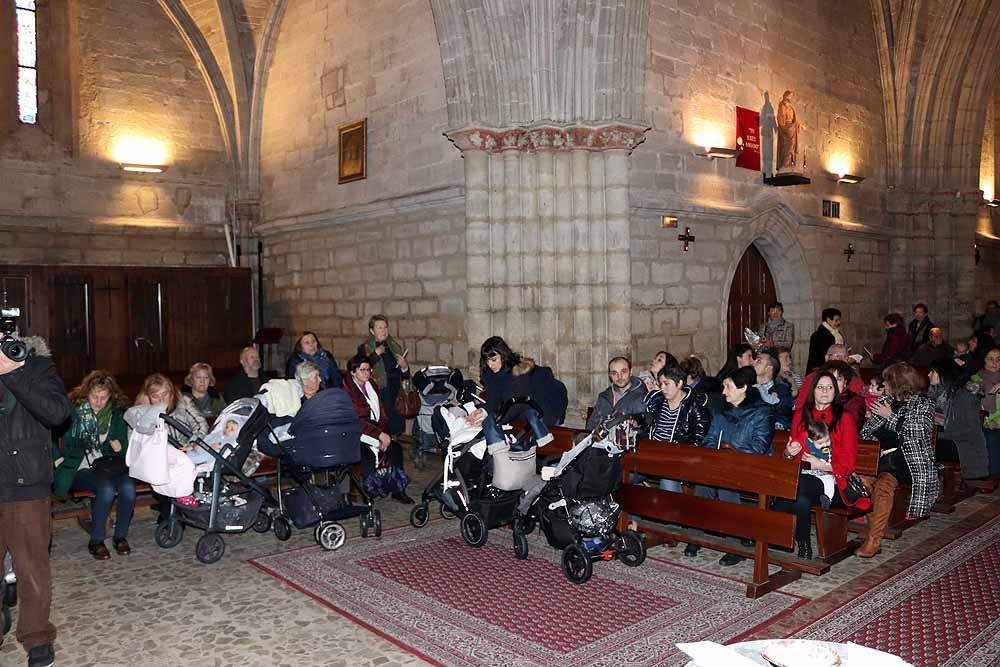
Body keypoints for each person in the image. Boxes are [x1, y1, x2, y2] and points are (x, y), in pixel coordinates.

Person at [0, 327, 70, 667]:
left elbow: (57, 413)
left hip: (25, 484)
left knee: (32, 569)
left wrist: (13, 374)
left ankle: (36, 635)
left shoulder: (37, 366)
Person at [776, 371, 865, 559]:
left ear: (836, 392)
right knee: (800, 497)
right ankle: (804, 545)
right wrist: (789, 452)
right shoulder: (801, 414)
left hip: (835, 481)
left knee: (795, 487)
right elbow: (790, 454)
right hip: (804, 477)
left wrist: (821, 465)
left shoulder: (845, 418)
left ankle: (768, 530)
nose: (825, 391)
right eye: (820, 387)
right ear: (813, 390)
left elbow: (849, 465)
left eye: (830, 387)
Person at [857, 363, 937, 557]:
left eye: (886, 381)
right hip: (880, 457)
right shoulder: (886, 400)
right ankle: (874, 526)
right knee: (861, 480)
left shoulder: (923, 404)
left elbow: (917, 434)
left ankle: (874, 540)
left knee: (883, 485)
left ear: (898, 383)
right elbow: (867, 432)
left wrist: (890, 416)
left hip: (908, 460)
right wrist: (872, 446)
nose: (883, 384)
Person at [54, 371, 136, 560]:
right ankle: (96, 541)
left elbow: (126, 449)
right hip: (79, 466)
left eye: (103, 397)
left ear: (111, 396)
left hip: (109, 465)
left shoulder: (117, 414)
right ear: (86, 394)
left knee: (129, 488)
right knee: (106, 489)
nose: (98, 402)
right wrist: (57, 457)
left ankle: (120, 536)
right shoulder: (72, 411)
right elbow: (48, 432)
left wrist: (120, 447)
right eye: (94, 397)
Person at [698, 366, 775, 565]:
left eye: (728, 387)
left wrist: (730, 450)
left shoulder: (763, 412)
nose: (724, 392)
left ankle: (735, 545)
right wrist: (715, 451)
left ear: (743, 388)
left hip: (754, 469)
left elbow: (759, 448)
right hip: (725, 466)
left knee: (726, 485)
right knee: (702, 482)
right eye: (723, 387)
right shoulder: (722, 413)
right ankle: (696, 534)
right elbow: (709, 440)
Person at [342, 354, 412, 504]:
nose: (366, 373)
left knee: (395, 449)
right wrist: (379, 435)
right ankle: (368, 492)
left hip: (375, 432)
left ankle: (398, 490)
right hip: (356, 434)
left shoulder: (371, 385)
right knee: (366, 456)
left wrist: (385, 435)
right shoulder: (346, 390)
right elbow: (356, 421)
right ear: (353, 372)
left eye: (368, 370)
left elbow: (382, 414)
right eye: (362, 370)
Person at [479, 336, 567, 428]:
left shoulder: (519, 372)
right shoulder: (493, 373)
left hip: (545, 410)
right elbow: (493, 397)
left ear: (503, 356)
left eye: (494, 360)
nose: (490, 365)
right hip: (525, 412)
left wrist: (491, 421)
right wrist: (483, 412)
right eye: (487, 360)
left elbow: (516, 405)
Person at [927, 359, 989, 480]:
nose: (928, 375)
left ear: (944, 375)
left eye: (933, 372)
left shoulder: (963, 396)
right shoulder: (935, 394)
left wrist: (935, 435)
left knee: (921, 444)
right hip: (945, 440)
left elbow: (969, 431)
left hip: (962, 446)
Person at [357, 314, 410, 436]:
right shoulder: (365, 348)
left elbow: (405, 374)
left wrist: (404, 366)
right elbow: (361, 368)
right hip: (378, 391)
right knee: (382, 425)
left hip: (395, 390)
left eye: (385, 327)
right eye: (379, 327)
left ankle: (394, 441)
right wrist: (375, 354)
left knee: (395, 424)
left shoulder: (394, 346)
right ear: (372, 331)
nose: (384, 330)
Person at [587, 356, 648, 430]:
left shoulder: (641, 397)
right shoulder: (604, 397)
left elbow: (644, 430)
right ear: (610, 375)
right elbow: (591, 426)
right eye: (614, 373)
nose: (619, 376)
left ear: (631, 372)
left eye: (623, 371)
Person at [796, 344, 863, 410]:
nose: (841, 360)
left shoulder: (854, 376)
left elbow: (857, 400)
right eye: (837, 356)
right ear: (827, 357)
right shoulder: (814, 376)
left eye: (845, 358)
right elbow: (801, 404)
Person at [752, 351, 794, 429]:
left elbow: (785, 419)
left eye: (759, 361)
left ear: (769, 368)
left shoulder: (782, 391)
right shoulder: (749, 388)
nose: (753, 362)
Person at [824, 361, 866, 429]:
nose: (833, 382)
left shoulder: (855, 401)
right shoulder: (819, 395)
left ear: (845, 382)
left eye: (838, 379)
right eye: (830, 378)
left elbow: (850, 427)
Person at [806, 308, 843, 373]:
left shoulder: (836, 334)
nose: (839, 322)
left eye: (839, 320)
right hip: (821, 371)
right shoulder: (818, 336)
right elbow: (819, 358)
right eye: (836, 320)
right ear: (828, 320)